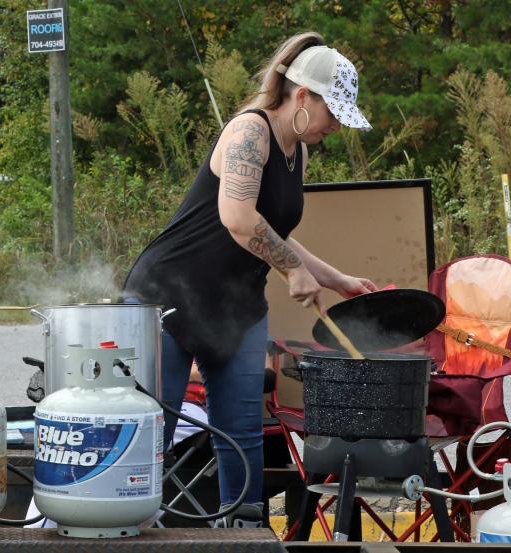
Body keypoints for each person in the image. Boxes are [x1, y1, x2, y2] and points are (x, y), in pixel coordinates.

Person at [123, 32, 378, 528]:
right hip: (169, 295)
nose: (336, 128)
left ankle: (242, 529)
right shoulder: (249, 132)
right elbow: (238, 218)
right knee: (156, 425)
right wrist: (293, 270)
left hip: (236, 306)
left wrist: (337, 278)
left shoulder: (297, 151)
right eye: (334, 114)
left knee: (241, 429)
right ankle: (134, 525)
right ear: (302, 96)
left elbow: (275, 232)